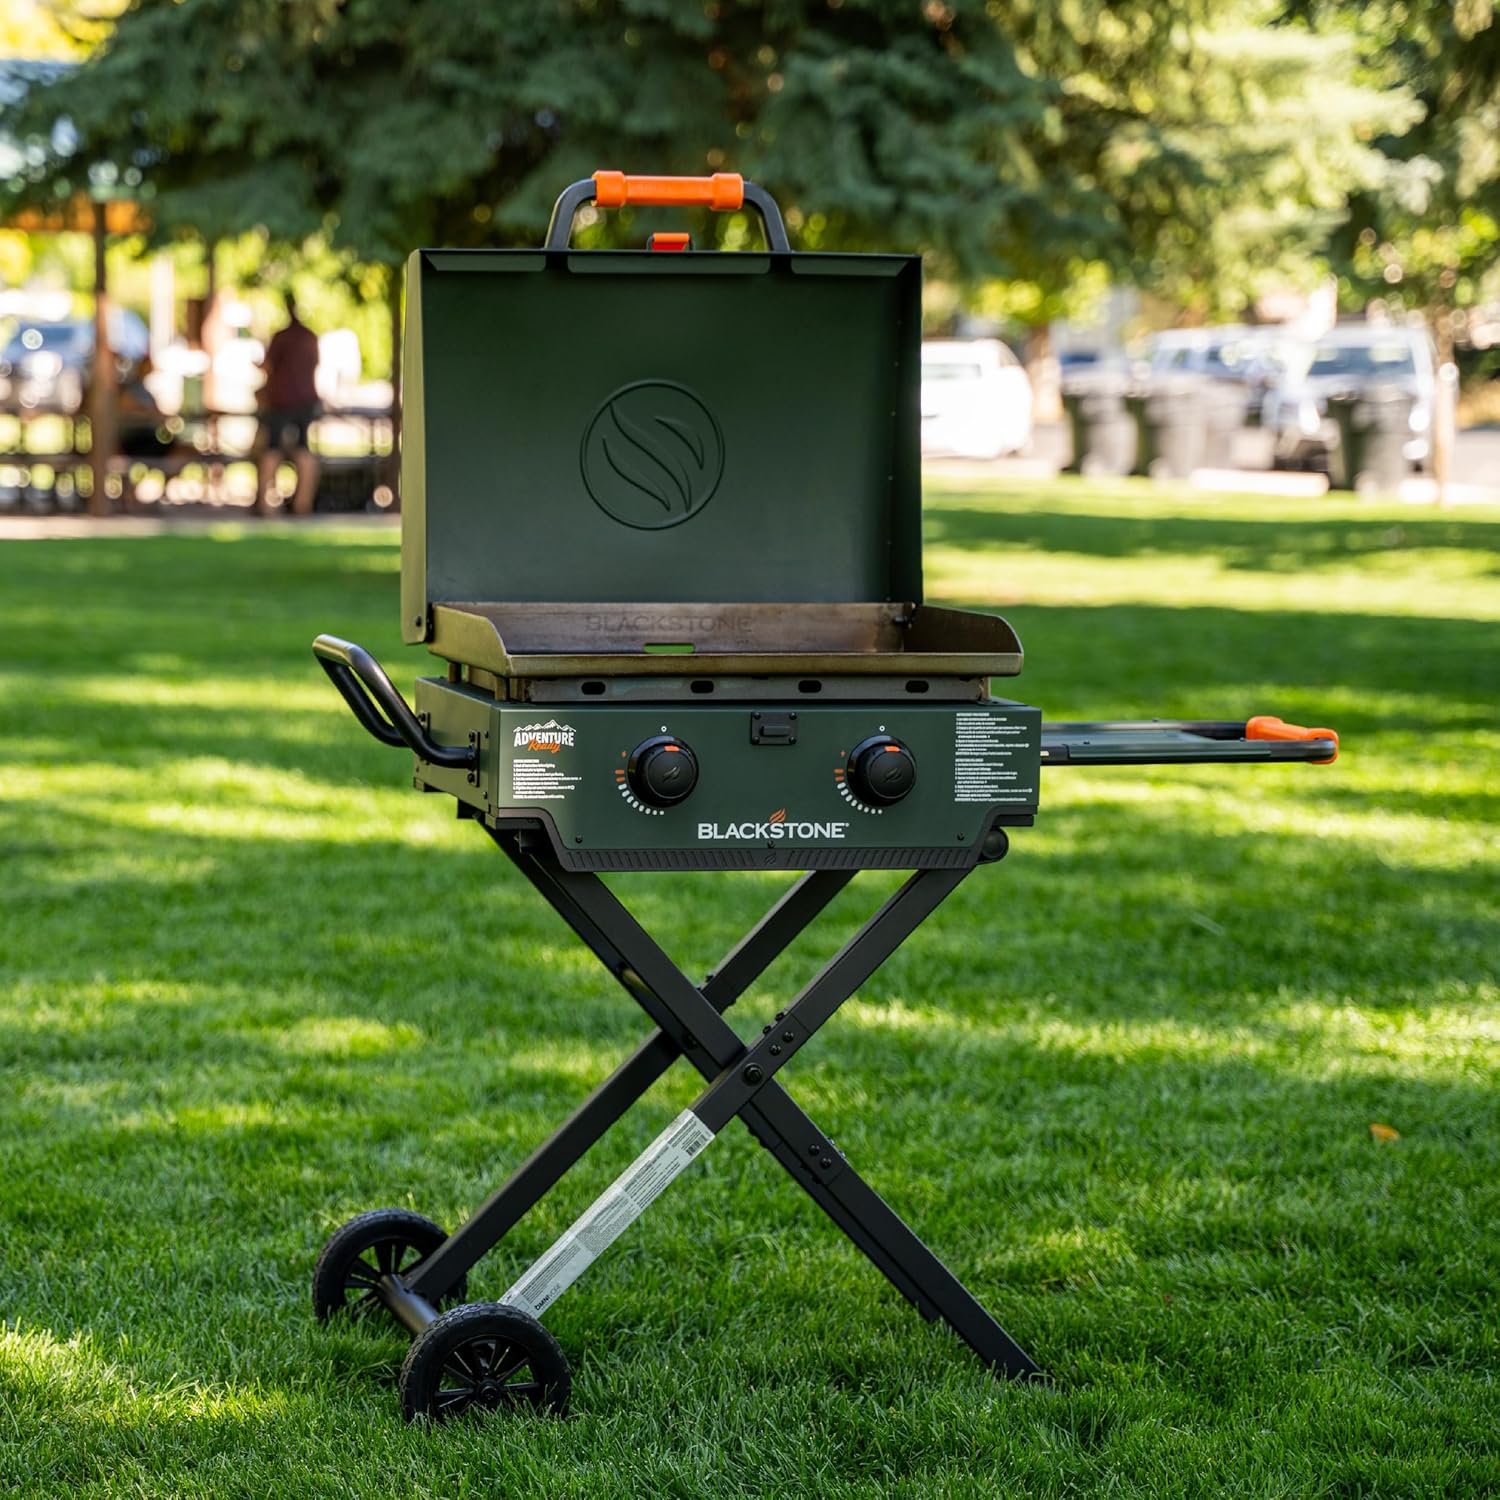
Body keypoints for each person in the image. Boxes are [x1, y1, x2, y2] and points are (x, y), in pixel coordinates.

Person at [256, 290, 321, 515]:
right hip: (305, 400)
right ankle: (303, 503)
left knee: (272, 449)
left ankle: (264, 505)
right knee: (304, 450)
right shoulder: (310, 337)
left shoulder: (282, 337)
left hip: (282, 400)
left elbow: (267, 367)